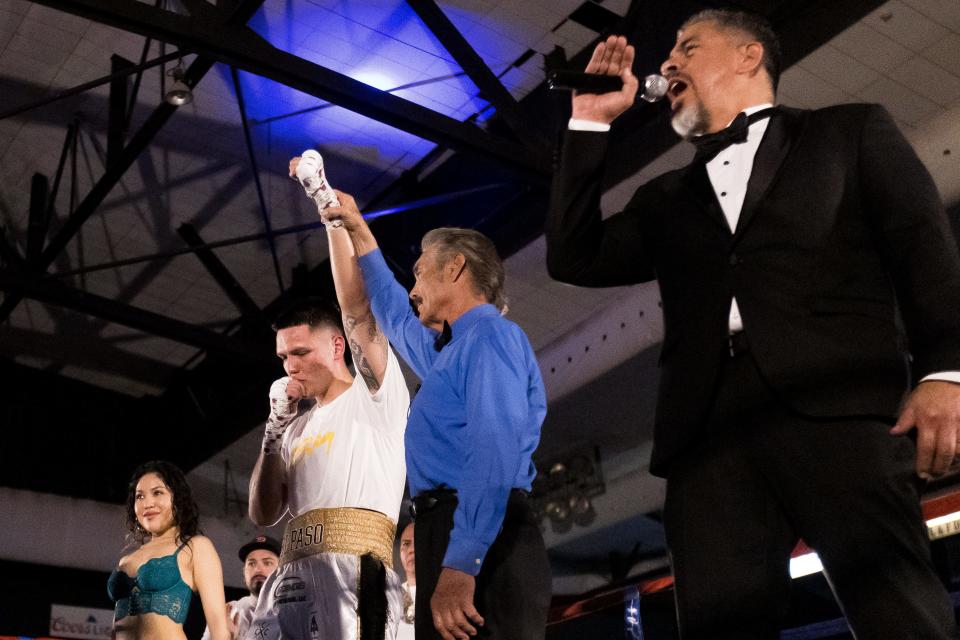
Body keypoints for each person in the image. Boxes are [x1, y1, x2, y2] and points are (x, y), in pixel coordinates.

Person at [546, 8, 960, 639]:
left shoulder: (849, 132)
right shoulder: (664, 198)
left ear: (747, 56)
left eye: (688, 47)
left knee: (901, 615)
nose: (667, 64)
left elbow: (923, 250)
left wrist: (945, 374)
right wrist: (589, 121)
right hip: (705, 438)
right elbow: (573, 256)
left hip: (840, 411)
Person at [315, 188, 552, 640]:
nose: (412, 289)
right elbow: (394, 317)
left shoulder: (491, 339)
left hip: (482, 536)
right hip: (447, 531)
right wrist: (359, 231)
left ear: (456, 267)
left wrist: (462, 563)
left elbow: (493, 453)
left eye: (420, 273)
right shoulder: (452, 353)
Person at [245, 160, 411, 638]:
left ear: (337, 346)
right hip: (292, 578)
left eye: (301, 352)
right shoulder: (294, 424)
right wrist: (273, 432)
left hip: (358, 573)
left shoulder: (375, 393)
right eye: (283, 357)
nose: (290, 365)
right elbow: (263, 513)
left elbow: (356, 308)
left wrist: (326, 208)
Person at [107, 460, 230, 640]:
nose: (147, 503)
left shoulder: (196, 547)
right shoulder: (126, 559)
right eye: (140, 496)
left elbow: (219, 630)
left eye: (157, 493)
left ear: (178, 498)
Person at [201, 535, 280, 640]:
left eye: (267, 563)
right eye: (251, 563)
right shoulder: (228, 614)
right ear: (244, 573)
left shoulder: (297, 614)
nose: (258, 569)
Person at [397, 523, 416, 640]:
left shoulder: (446, 594)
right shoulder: (390, 596)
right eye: (406, 544)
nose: (412, 550)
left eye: (419, 542)